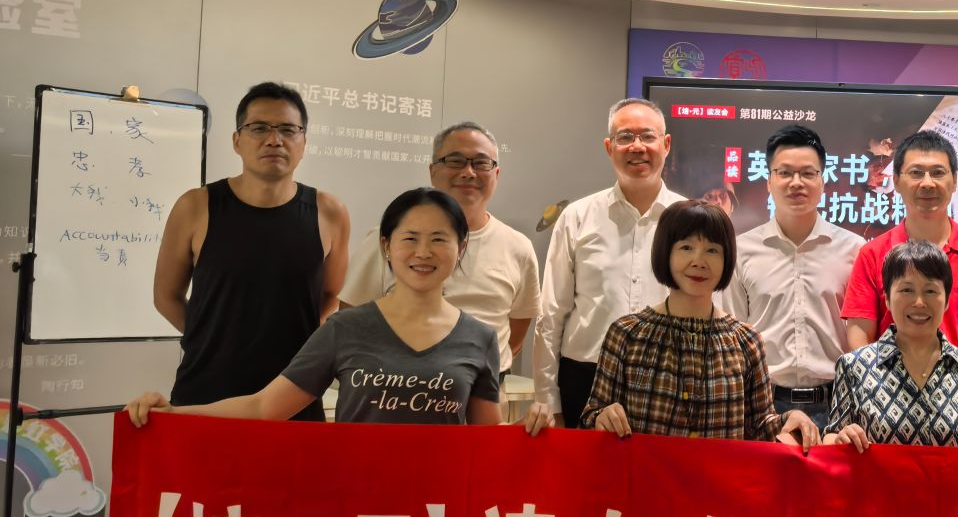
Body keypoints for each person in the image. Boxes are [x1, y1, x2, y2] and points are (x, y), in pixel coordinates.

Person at [129, 188, 552, 433]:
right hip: (355, 511)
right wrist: (174, 414)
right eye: (410, 238)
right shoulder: (346, 328)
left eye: (439, 239)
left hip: (440, 511)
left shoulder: (479, 337)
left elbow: (486, 437)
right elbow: (264, 408)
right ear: (386, 246)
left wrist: (530, 427)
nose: (423, 252)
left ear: (461, 248)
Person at [152, 82, 350, 422]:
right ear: (237, 140)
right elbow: (165, 297)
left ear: (304, 143)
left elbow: (331, 294)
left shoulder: (329, 212)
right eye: (259, 128)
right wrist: (209, 338)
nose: (274, 140)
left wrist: (304, 352)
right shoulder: (196, 206)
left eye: (288, 130)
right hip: (205, 392)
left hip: (294, 396)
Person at [580, 199, 818, 446]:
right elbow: (590, 417)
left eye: (712, 250)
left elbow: (758, 427)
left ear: (727, 259)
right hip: (646, 471)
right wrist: (601, 417)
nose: (698, 261)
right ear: (665, 252)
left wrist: (790, 419)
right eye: (686, 247)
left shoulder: (746, 341)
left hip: (720, 472)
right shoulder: (628, 334)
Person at [340, 122, 540, 395]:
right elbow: (351, 321)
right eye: (455, 161)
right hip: (395, 391)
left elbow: (516, 333)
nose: (468, 172)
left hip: (485, 394)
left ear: (496, 173)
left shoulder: (519, 247)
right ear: (433, 171)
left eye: (481, 163)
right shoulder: (389, 240)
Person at [533, 97, 685, 425]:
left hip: (668, 381)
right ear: (609, 147)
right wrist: (547, 399)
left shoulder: (690, 221)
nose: (637, 146)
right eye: (625, 137)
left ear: (666, 144)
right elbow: (551, 314)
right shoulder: (577, 217)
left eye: (648, 136)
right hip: (584, 378)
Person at [841, 131, 958, 389]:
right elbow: (859, 339)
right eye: (916, 173)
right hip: (887, 405)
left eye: (938, 173)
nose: (927, 183)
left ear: (955, 181)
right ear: (896, 181)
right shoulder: (872, 254)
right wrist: (883, 399)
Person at [826, 241, 958, 455]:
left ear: (946, 300)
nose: (919, 302)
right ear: (887, 298)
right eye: (906, 290)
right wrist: (839, 439)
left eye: (930, 291)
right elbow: (830, 437)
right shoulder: (853, 367)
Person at [726, 125, 865, 428]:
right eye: (785, 173)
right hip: (764, 405)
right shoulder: (741, 250)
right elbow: (732, 336)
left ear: (822, 181)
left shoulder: (854, 250)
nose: (796, 182)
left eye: (807, 173)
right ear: (769, 181)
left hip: (837, 403)